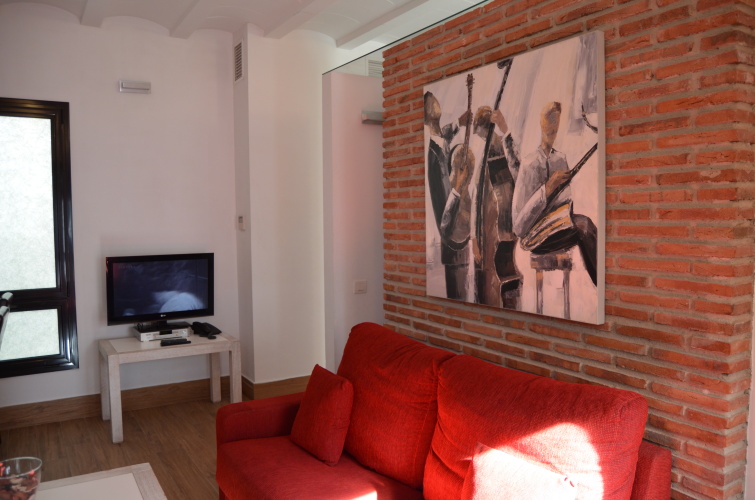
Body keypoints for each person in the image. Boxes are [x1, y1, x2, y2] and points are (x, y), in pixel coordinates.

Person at [512, 101, 597, 285]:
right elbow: (518, 227)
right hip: (535, 238)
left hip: (557, 227)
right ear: (541, 123)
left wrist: (563, 196)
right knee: (584, 227)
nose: (553, 127)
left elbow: (566, 204)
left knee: (588, 226)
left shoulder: (560, 159)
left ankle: (603, 282)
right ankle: (602, 283)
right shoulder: (529, 164)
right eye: (549, 121)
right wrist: (548, 187)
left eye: (556, 122)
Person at [424, 91, 474, 300]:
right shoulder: (433, 158)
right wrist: (459, 186)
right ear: (426, 117)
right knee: (458, 299)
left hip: (461, 237)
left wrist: (459, 123)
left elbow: (445, 134)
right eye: (428, 102)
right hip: (452, 243)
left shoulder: (440, 141)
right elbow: (443, 220)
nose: (432, 98)